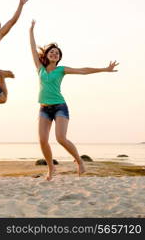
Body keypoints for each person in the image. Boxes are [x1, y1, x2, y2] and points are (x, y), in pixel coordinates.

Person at [29, 20, 119, 180]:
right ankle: (51, 168)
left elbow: (83, 71)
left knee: (61, 138)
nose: (54, 54)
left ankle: (79, 162)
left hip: (59, 107)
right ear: (47, 54)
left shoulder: (62, 70)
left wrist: (104, 69)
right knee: (42, 141)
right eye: (52, 52)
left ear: (59, 58)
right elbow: (32, 50)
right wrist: (31, 31)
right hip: (44, 108)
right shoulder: (40, 68)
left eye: (57, 53)